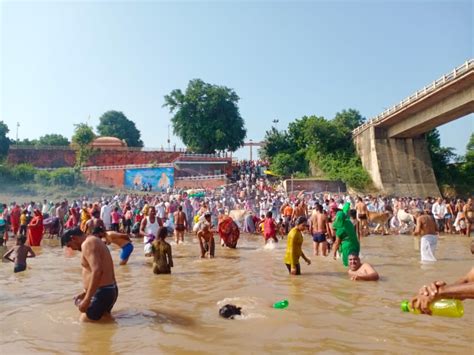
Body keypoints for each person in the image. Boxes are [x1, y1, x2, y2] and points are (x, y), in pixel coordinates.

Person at [61, 227, 118, 322]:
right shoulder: (93, 241)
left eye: (70, 246)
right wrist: (85, 293)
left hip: (103, 292)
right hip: (107, 290)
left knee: (85, 322)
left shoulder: (87, 244)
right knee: (103, 320)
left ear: (73, 238)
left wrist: (87, 299)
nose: (73, 249)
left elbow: (97, 271)